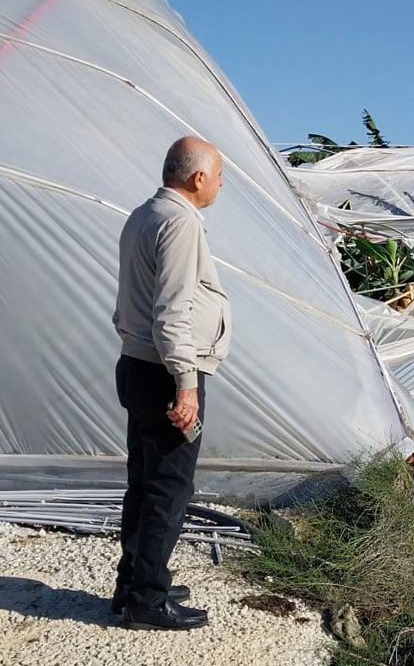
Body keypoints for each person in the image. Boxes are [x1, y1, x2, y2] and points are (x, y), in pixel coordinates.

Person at [111, 136, 231, 630]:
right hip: (167, 373)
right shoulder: (180, 222)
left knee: (143, 479)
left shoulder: (143, 215)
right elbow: (172, 311)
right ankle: (147, 598)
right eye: (220, 176)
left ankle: (134, 580)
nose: (222, 184)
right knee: (169, 486)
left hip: (137, 366)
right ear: (198, 178)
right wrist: (185, 383)